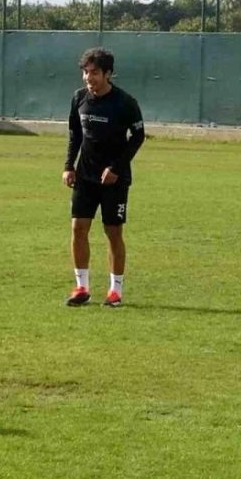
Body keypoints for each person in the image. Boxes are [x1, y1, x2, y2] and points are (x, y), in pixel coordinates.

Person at [62, 47, 145, 307]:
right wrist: (68, 166)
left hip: (114, 180)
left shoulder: (125, 102)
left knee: (112, 231)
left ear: (108, 73)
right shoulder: (78, 98)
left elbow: (138, 136)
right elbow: (75, 135)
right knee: (78, 228)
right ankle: (81, 288)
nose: (89, 78)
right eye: (85, 73)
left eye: (95, 73)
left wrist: (117, 168)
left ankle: (115, 291)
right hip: (85, 176)